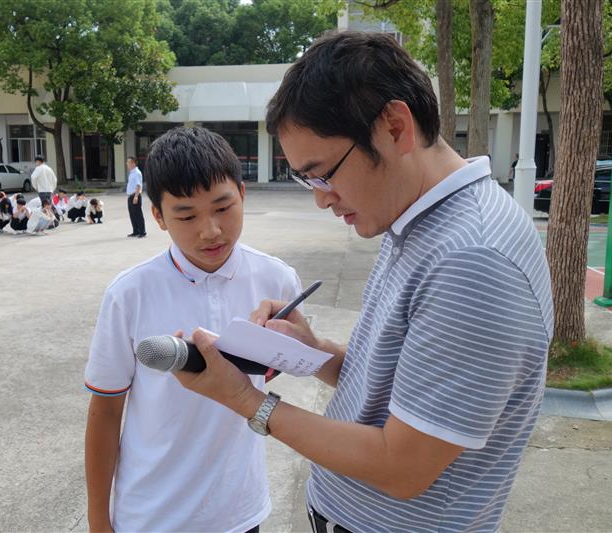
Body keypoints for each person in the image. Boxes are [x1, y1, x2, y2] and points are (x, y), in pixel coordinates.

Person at [170, 32, 553, 533]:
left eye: (323, 173)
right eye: (306, 180)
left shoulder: (471, 260)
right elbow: (402, 381)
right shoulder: (419, 220)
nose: (321, 198)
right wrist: (313, 351)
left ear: (395, 128)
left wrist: (245, 400)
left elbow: (403, 468)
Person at [84, 126, 302, 533]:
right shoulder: (129, 294)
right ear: (158, 217)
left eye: (223, 207)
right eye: (186, 216)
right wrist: (99, 520)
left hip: (239, 512)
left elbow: (280, 365)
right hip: (152, 516)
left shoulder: (277, 280)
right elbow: (106, 411)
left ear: (243, 193)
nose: (211, 231)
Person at [125, 156, 146, 238]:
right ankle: (136, 231)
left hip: (135, 195)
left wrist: (136, 196)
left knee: (137, 214)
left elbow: (138, 185)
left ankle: (142, 231)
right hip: (130, 196)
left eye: (128, 162)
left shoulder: (137, 173)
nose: (127, 164)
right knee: (132, 214)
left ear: (133, 163)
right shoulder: (132, 173)